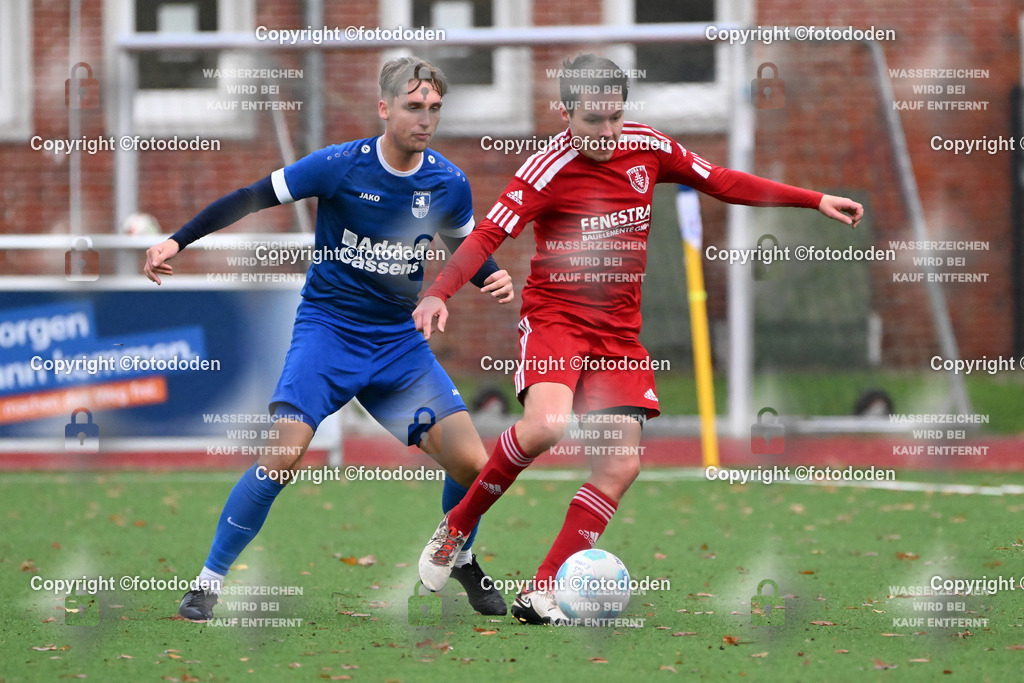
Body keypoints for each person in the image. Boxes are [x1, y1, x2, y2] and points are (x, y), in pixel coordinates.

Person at [415, 53, 864, 625]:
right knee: (547, 426)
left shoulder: (648, 147)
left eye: (614, 119)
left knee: (620, 467)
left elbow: (721, 180)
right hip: (557, 321)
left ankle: (542, 591)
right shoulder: (543, 171)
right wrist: (439, 293)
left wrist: (812, 198)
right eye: (591, 120)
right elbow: (485, 236)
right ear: (564, 113)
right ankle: (454, 532)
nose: (606, 133)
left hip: (618, 336)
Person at [144, 56, 515, 620]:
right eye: (414, 107)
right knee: (282, 457)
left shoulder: (447, 181)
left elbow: (465, 245)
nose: (425, 119)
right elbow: (250, 196)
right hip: (329, 334)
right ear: (384, 107)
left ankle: (458, 555)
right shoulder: (339, 166)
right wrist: (177, 241)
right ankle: (209, 580)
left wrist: (492, 275)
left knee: (472, 466)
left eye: (435, 108)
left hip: (398, 346)